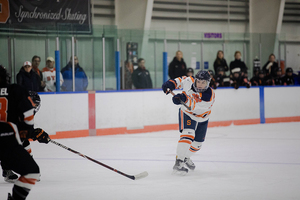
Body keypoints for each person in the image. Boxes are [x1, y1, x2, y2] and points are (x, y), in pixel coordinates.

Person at [0, 65, 50, 200]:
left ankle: (7, 169)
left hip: (7, 138)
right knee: (32, 171)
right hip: (6, 138)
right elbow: (27, 116)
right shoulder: (15, 90)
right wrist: (30, 131)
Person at [161, 70, 215, 174]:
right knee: (188, 134)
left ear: (208, 83)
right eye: (198, 81)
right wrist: (171, 83)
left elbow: (194, 106)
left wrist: (183, 98)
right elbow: (181, 80)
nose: (200, 85)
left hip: (202, 118)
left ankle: (185, 157)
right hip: (187, 114)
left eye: (203, 83)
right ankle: (179, 162)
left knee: (198, 145)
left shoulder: (209, 95)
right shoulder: (189, 80)